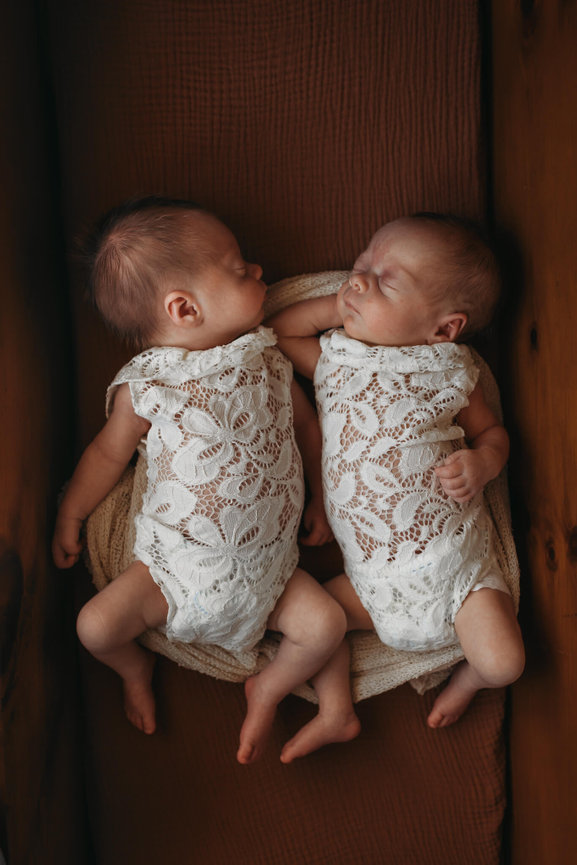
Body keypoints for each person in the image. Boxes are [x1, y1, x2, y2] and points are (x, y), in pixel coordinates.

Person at [52, 197, 348, 764]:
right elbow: (107, 454)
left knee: (325, 625)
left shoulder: (267, 357)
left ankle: (270, 688)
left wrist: (319, 496)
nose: (259, 271)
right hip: (171, 570)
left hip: (269, 570)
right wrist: (73, 511)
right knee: (94, 629)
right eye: (240, 269)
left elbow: (307, 427)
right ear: (184, 308)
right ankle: (133, 667)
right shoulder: (152, 384)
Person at [267, 213, 525, 763]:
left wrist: (482, 463)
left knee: (506, 662)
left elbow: (493, 433)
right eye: (360, 265)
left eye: (386, 280)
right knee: (316, 623)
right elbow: (283, 331)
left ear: (445, 328)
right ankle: (336, 710)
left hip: (455, 573)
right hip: (369, 580)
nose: (357, 280)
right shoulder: (336, 359)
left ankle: (472, 676)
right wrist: (342, 303)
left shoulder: (450, 370)